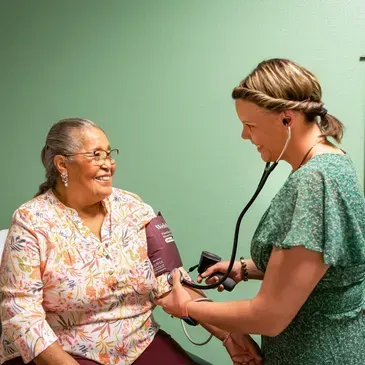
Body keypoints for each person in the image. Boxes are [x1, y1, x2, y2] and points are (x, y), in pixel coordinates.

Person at [0, 118, 262, 365]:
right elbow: (21, 315)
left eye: (109, 153)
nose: (108, 164)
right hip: (66, 349)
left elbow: (172, 282)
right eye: (96, 155)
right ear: (62, 164)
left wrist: (230, 335)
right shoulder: (31, 221)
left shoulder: (133, 208)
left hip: (138, 343)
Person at [155, 58, 365, 365]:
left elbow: (269, 317)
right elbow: (321, 263)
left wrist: (187, 306)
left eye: (250, 125)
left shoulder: (315, 182)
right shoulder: (333, 163)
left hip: (318, 354)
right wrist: (246, 268)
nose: (244, 136)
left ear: (287, 119)